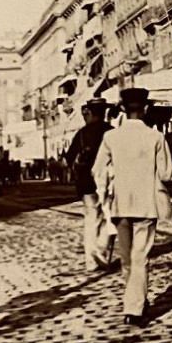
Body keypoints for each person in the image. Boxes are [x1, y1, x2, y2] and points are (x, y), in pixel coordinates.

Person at [92, 87, 172, 326]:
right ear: (146, 108)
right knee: (140, 257)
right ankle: (135, 308)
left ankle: (135, 301)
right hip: (146, 206)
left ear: (121, 109)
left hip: (120, 207)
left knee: (128, 260)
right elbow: (167, 174)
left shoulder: (111, 137)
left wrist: (105, 199)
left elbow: (97, 171)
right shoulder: (155, 137)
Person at [66, 99, 114, 271]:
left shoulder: (81, 134)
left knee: (91, 220)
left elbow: (69, 157)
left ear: (91, 112)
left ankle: (91, 261)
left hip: (87, 183)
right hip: (109, 182)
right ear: (104, 112)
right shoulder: (111, 131)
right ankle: (102, 252)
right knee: (110, 217)